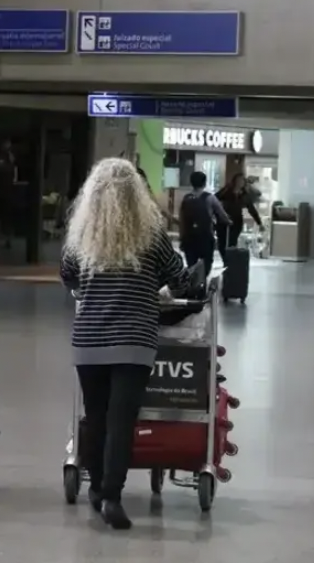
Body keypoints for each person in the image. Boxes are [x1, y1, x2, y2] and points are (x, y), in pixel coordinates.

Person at [60, 158, 193, 530]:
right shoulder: (152, 236)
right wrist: (151, 286)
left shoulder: (81, 236)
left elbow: (68, 276)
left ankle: (96, 489)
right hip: (134, 340)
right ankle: (112, 498)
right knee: (121, 421)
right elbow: (181, 280)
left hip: (89, 339)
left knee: (96, 417)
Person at [177, 171, 231, 276]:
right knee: (206, 264)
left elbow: (182, 220)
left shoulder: (186, 198)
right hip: (206, 237)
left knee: (191, 265)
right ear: (204, 183)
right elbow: (222, 215)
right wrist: (229, 221)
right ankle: (204, 282)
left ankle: (193, 283)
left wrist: (182, 238)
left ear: (191, 182)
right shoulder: (210, 198)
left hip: (189, 238)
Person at [215, 173, 263, 257]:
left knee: (232, 242)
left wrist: (259, 222)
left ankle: (229, 260)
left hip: (236, 220)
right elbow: (215, 199)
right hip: (223, 220)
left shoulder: (244, 195)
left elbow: (252, 209)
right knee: (222, 241)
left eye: (242, 181)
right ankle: (225, 258)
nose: (240, 182)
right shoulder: (226, 191)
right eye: (238, 180)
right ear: (234, 181)